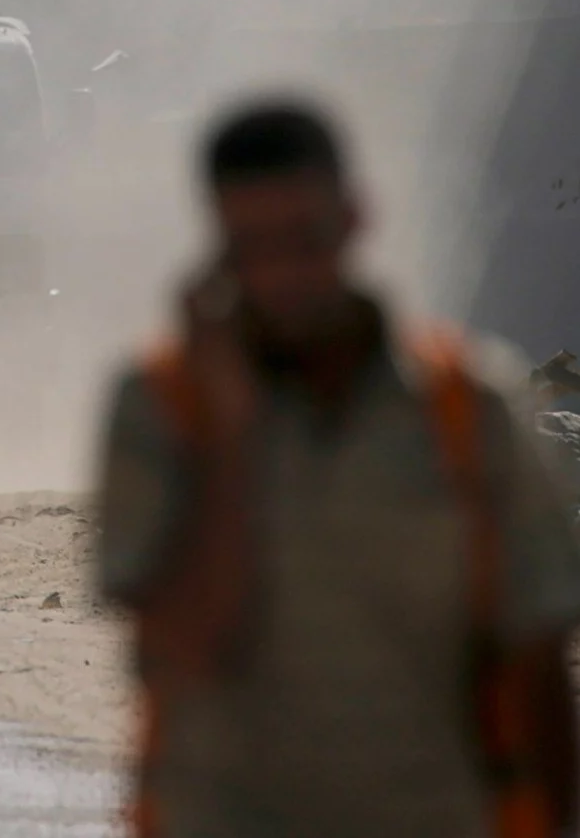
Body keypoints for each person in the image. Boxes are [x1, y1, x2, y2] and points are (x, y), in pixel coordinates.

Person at [97, 100, 580, 838]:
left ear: (356, 218)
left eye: (305, 240)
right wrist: (230, 435)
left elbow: (537, 660)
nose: (284, 274)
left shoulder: (467, 407)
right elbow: (186, 644)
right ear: (218, 247)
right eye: (253, 247)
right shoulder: (164, 409)